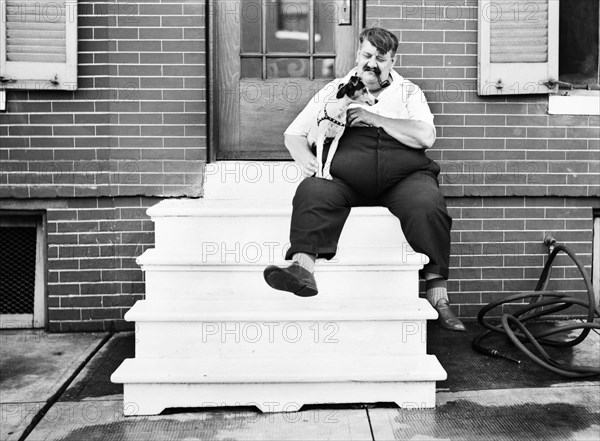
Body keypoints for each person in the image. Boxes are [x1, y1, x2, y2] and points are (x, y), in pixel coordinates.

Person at [263, 27, 466, 332]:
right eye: (367, 55)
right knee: (312, 191)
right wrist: (306, 159)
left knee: (428, 204)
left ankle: (439, 296)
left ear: (392, 61)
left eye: (380, 58)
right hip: (346, 180)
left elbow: (426, 136)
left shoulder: (409, 92)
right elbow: (293, 133)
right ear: (358, 54)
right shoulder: (337, 89)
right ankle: (302, 268)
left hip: (404, 178)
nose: (372, 63)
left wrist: (376, 119)